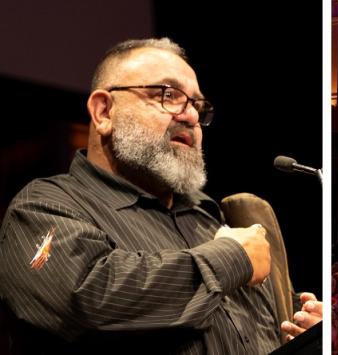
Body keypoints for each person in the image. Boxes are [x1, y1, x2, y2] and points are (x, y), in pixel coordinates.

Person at [0, 38, 320, 354]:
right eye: (169, 95)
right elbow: (82, 299)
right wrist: (232, 257)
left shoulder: (211, 218)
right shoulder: (43, 207)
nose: (191, 116)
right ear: (103, 111)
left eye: (197, 105)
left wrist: (308, 334)